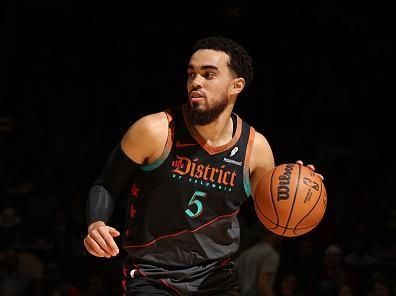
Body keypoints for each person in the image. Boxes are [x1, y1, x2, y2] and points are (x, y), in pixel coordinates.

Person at [83, 36, 322, 295]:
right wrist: (96, 223)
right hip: (151, 273)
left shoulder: (256, 149)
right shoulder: (154, 130)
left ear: (236, 85)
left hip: (215, 276)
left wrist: (299, 188)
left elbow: (274, 216)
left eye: (208, 75)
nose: (195, 82)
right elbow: (105, 185)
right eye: (191, 74)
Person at [235, 231, 281, 296]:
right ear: (271, 235)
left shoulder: (247, 252)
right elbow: (262, 283)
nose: (280, 238)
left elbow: (233, 274)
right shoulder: (271, 254)